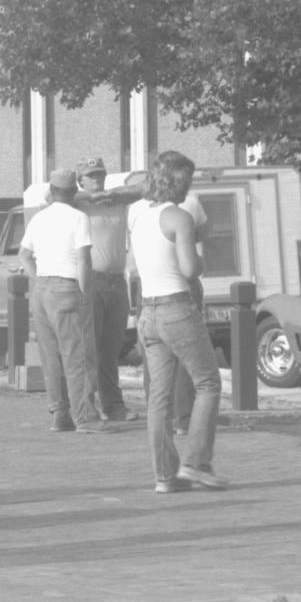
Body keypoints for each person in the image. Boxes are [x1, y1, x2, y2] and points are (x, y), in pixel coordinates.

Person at [128, 150, 225, 493]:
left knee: (159, 395)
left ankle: (164, 475)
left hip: (147, 310)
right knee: (208, 384)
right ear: (180, 181)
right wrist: (199, 258)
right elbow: (189, 269)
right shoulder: (179, 217)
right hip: (176, 307)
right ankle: (196, 463)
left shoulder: (137, 215)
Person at [22, 169, 110, 432]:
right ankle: (85, 416)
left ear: (51, 190)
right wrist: (85, 293)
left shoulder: (39, 219)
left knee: (51, 355)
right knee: (78, 354)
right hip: (68, 284)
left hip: (42, 288)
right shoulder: (78, 218)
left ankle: (60, 413)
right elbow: (84, 260)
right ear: (74, 191)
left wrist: (38, 279)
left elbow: (25, 255)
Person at [73, 159, 132, 420]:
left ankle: (113, 405)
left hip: (118, 280)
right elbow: (49, 195)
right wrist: (93, 197)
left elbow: (144, 187)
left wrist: (112, 195)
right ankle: (86, 408)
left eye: (100, 174)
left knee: (111, 349)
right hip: (92, 281)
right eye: (90, 175)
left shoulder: (118, 200)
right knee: (88, 347)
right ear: (80, 180)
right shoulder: (78, 204)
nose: (97, 178)